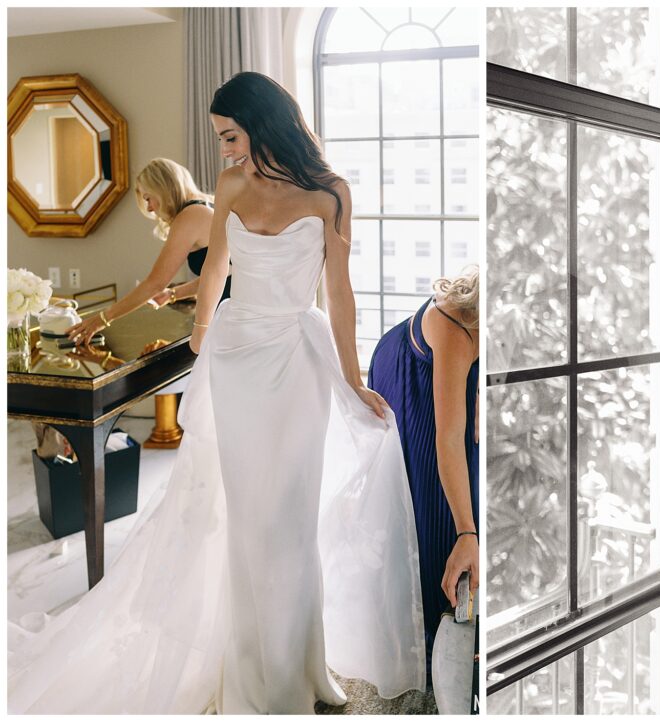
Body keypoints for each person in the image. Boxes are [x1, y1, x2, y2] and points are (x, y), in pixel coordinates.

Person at [8, 72, 424, 714]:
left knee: (291, 519)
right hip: (236, 363)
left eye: (231, 135)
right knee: (253, 525)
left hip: (297, 360)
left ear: (264, 124)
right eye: (220, 138)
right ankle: (260, 669)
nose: (224, 151)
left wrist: (353, 378)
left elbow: (339, 294)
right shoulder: (230, 186)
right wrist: (202, 338)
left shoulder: (330, 194)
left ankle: (302, 662)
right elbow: (218, 270)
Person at [367, 267, 480, 675]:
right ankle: (430, 634)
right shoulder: (458, 327)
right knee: (436, 507)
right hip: (406, 369)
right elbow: (448, 441)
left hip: (448, 365)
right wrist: (467, 533)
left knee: (470, 463)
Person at [66, 158, 229, 346]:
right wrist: (173, 294)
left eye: (148, 198)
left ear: (163, 189)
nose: (150, 208)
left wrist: (102, 319)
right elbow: (219, 274)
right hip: (229, 307)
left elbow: (155, 283)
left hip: (230, 312)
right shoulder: (206, 206)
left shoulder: (190, 215)